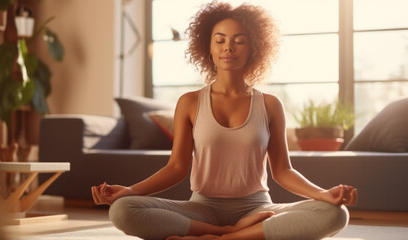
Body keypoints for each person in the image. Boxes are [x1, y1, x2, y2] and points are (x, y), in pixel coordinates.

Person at [91, 2, 358, 240]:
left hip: (258, 208)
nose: (228, 47)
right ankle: (231, 233)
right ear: (208, 46)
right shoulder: (190, 102)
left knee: (335, 214)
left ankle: (222, 237)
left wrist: (323, 194)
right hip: (202, 208)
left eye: (239, 40)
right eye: (220, 40)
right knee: (123, 210)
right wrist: (129, 191)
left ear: (254, 46)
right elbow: (176, 167)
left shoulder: (269, 104)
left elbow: (283, 171)